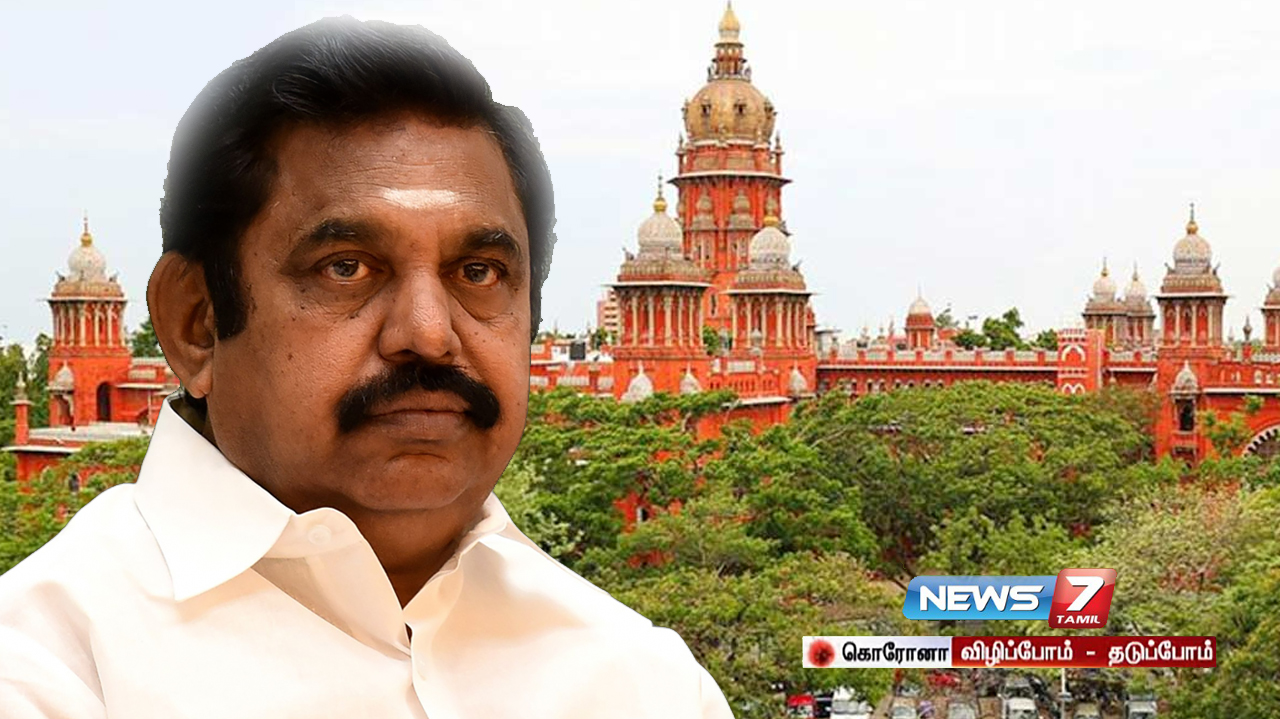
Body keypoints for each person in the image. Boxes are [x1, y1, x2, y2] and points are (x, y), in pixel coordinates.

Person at [0, 17, 733, 719]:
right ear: (196, 324)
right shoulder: (48, 670)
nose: (429, 334)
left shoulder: (644, 681)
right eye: (346, 267)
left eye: (478, 272)